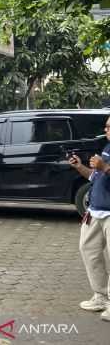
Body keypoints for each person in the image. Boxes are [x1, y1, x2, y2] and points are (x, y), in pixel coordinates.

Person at [68, 115, 110, 323]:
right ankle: (101, 296)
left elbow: (104, 171)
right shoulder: (107, 148)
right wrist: (79, 166)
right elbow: (95, 177)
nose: (106, 128)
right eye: (106, 125)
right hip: (95, 211)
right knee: (89, 250)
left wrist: (104, 167)